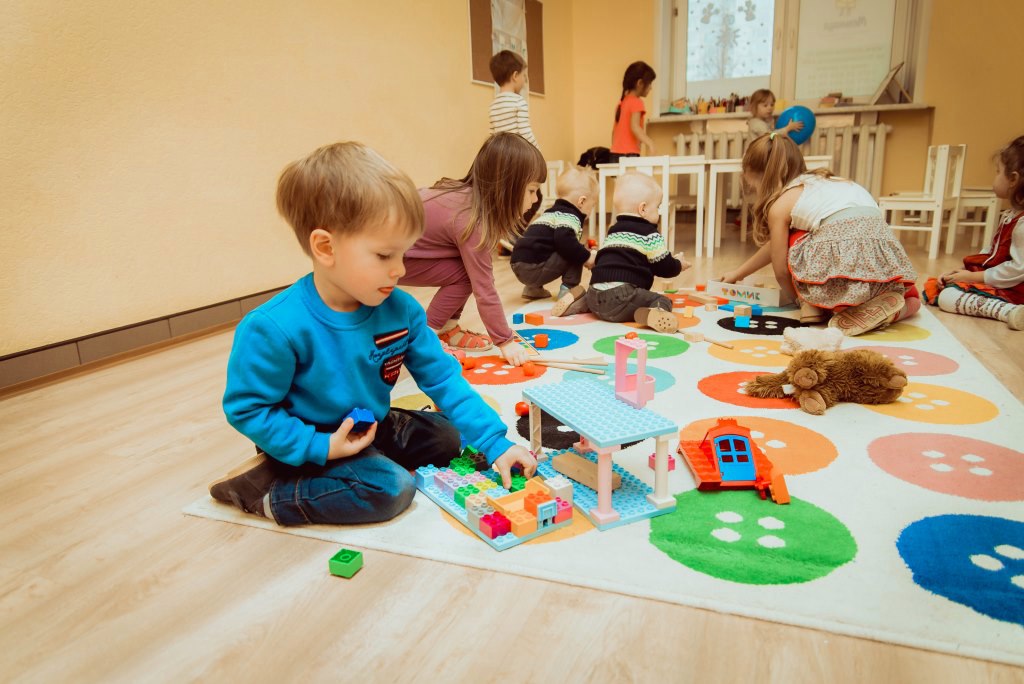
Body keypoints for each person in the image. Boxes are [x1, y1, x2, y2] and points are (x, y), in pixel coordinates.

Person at [211, 142, 536, 526]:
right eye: (385, 256)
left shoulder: (402, 311)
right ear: (325, 247)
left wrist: (495, 442)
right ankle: (268, 491)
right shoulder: (274, 327)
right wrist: (319, 446)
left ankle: (362, 461)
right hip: (310, 435)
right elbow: (248, 409)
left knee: (448, 438)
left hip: (369, 423)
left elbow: (444, 378)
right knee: (391, 490)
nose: (400, 270)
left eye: (404, 254)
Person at [722, 133, 919, 336]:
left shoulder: (782, 204)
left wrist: (798, 300)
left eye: (753, 185)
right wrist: (739, 274)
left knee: (795, 238)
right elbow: (774, 245)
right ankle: (896, 311)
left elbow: (780, 268)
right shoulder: (832, 181)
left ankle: (817, 306)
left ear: (763, 177)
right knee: (912, 298)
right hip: (880, 255)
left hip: (845, 255)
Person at [400, 132, 546, 365]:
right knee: (470, 274)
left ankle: (447, 328)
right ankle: (425, 336)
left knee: (465, 270)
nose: (534, 199)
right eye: (531, 190)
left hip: (401, 251)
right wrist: (505, 341)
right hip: (390, 258)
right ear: (507, 186)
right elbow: (484, 289)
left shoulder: (468, 201)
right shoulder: (472, 219)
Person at [555, 172, 688, 331]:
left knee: (601, 298)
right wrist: (679, 264)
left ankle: (579, 302)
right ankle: (655, 313)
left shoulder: (613, 231)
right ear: (643, 208)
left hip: (594, 293)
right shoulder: (650, 234)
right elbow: (664, 267)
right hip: (621, 297)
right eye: (657, 207)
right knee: (662, 300)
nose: (658, 212)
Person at [923, 135, 1024, 330]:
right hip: (997, 280)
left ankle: (1009, 312)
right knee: (936, 286)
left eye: (997, 172)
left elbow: (1018, 270)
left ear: (1013, 179)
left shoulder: (1022, 224)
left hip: (1015, 289)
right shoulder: (1011, 215)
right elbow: (991, 253)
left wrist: (973, 278)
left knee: (948, 297)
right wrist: (964, 271)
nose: (994, 178)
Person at [510, 166, 597, 303]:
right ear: (582, 201)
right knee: (572, 249)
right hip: (533, 267)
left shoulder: (551, 213)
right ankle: (569, 289)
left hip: (517, 263)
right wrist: (586, 257)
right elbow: (566, 243)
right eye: (592, 206)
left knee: (552, 246)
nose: (591, 211)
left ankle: (533, 288)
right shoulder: (570, 216)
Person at [488, 50, 539, 149]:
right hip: (517, 154)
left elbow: (492, 137)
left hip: (501, 155)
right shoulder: (519, 102)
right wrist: (538, 153)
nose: (525, 81)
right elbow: (526, 134)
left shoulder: (493, 105)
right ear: (515, 76)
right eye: (524, 76)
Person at [610, 61, 656, 163]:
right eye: (649, 84)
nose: (651, 87)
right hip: (628, 156)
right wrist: (650, 143)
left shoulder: (621, 103)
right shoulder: (637, 102)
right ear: (640, 83)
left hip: (614, 155)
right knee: (633, 179)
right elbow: (635, 127)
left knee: (619, 180)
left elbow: (614, 133)